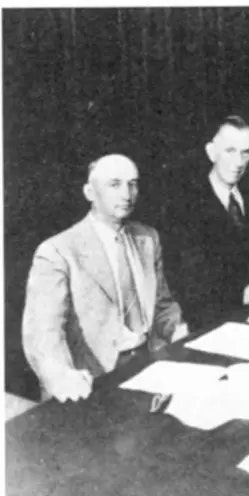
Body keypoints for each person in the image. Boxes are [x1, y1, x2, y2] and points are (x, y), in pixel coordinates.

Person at [23, 154, 188, 402]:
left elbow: (163, 305)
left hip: (149, 363)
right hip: (94, 381)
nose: (127, 194)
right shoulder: (58, 251)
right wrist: (63, 377)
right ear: (90, 192)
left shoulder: (148, 238)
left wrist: (179, 335)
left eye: (133, 183)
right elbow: (42, 335)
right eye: (115, 184)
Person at [165, 115, 249, 330]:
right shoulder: (186, 208)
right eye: (230, 151)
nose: (238, 162)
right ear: (211, 152)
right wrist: (242, 295)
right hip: (218, 324)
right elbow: (192, 289)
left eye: (245, 153)